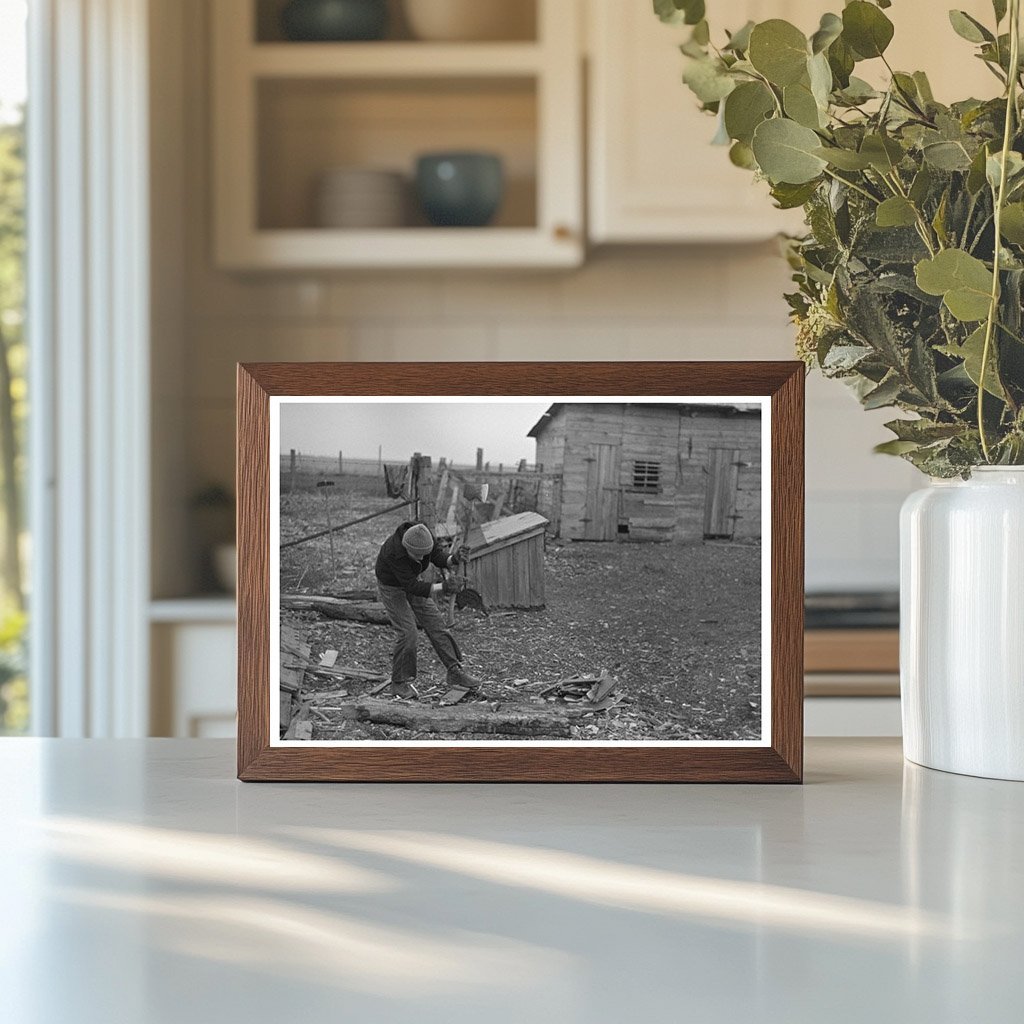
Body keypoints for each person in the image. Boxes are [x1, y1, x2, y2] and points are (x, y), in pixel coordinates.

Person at [374, 521, 482, 698]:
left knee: (436, 624)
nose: (420, 559)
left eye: (423, 555)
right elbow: (412, 586)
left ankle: (454, 671)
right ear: (406, 547)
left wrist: (453, 558)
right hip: (391, 587)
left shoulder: (424, 537)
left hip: (413, 581)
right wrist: (444, 587)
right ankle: (399, 683)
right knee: (408, 633)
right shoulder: (393, 553)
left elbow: (437, 557)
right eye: (416, 555)